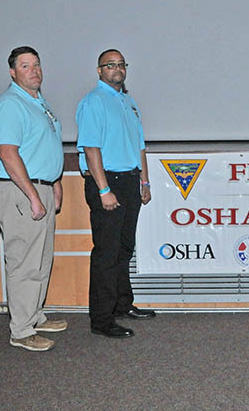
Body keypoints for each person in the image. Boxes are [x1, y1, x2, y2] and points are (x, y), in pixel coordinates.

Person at [0, 46, 67, 352]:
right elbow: (8, 154)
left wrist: (55, 183)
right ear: (13, 72)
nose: (34, 71)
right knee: (23, 261)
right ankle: (21, 330)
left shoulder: (39, 103)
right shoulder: (10, 104)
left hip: (41, 187)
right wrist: (34, 195)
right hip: (20, 191)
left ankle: (34, 315)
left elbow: (45, 147)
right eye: (25, 66)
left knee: (41, 258)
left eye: (37, 65)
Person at [76, 49, 154, 339]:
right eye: (110, 65)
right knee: (106, 254)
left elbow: (140, 145)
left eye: (121, 64)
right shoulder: (93, 102)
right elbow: (91, 148)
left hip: (130, 181)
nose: (117, 69)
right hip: (106, 182)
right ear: (99, 71)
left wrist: (144, 181)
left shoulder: (128, 102)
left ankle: (123, 305)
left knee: (124, 249)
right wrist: (104, 189)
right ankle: (102, 319)